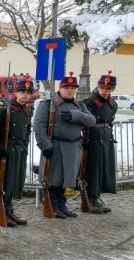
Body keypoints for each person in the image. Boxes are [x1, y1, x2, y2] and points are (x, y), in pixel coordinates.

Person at [33, 73, 95, 219]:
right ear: (60, 88)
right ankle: (53, 206)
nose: (70, 91)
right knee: (54, 178)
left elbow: (91, 120)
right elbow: (39, 126)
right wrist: (45, 145)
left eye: (73, 88)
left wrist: (76, 115)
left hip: (73, 147)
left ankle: (62, 205)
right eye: (67, 88)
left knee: (66, 178)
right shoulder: (48, 104)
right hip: (55, 146)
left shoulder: (80, 106)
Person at [0, 75, 35, 227]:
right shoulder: (5, 110)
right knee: (5, 183)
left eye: (28, 92)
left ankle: (9, 210)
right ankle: (2, 212)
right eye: (22, 92)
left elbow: (27, 131)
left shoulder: (27, 110)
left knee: (14, 182)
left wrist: (25, 146)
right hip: (8, 150)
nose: (25, 95)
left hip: (19, 150)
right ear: (16, 93)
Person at [82, 71, 119, 213]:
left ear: (112, 89)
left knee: (103, 168)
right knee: (93, 169)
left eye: (108, 89)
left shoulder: (112, 103)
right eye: (102, 88)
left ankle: (96, 197)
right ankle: (89, 199)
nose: (104, 91)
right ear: (97, 87)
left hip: (106, 138)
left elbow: (110, 122)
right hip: (93, 137)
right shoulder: (89, 103)